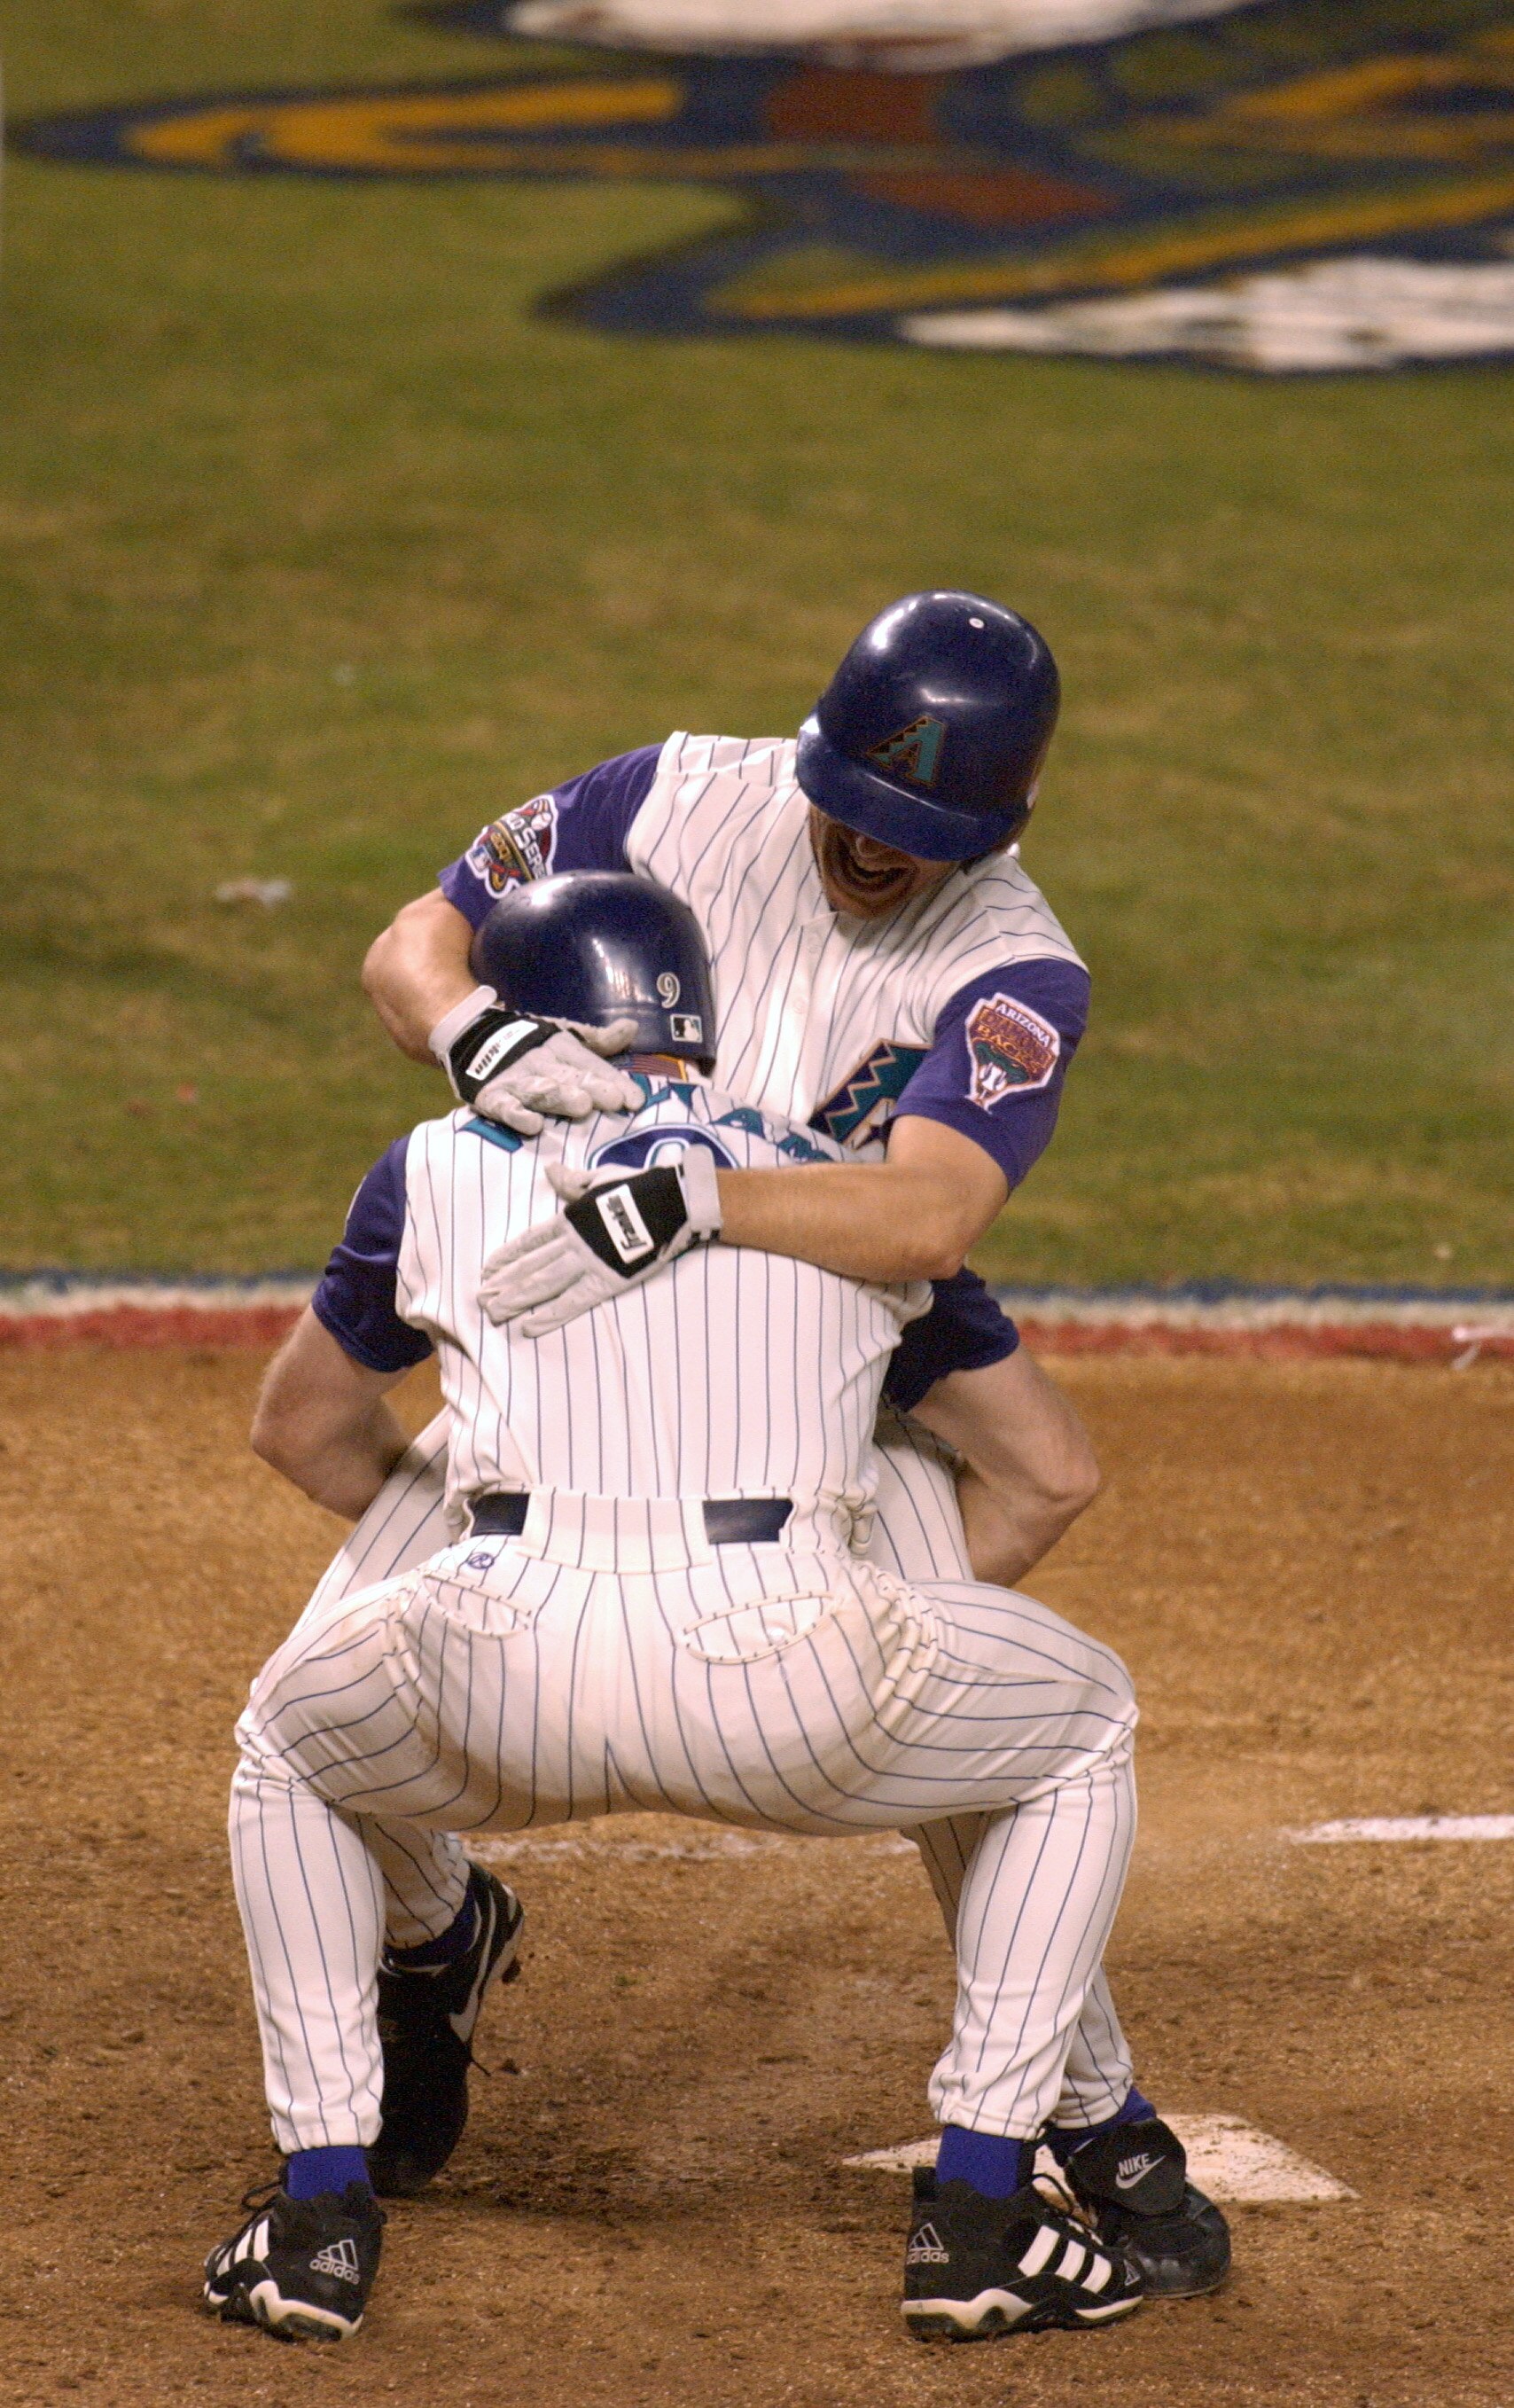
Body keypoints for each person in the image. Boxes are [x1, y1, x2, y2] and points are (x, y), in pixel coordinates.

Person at [324, 591, 1228, 2295]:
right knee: (325, 1686)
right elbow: (409, 944)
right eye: (856, 809)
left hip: (821, 1302)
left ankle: (1085, 2111)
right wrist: (469, 1027)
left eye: (919, 835)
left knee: (979, 1605)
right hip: (575, 1311)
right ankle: (434, 1931)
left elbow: (930, 1216)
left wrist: (704, 1202)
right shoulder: (667, 792)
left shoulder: (1015, 967)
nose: (874, 852)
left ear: (1008, 822)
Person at [207, 875, 1149, 2346]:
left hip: (495, 1668)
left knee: (286, 1740)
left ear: (519, 1023)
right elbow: (1049, 1475)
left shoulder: (431, 1167)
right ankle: (984, 2205)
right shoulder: (836, 1191)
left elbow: (302, 1433)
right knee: (1082, 1723)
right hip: (797, 1681)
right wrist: (875, 1612)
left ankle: (320, 2211)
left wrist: (483, 1517)